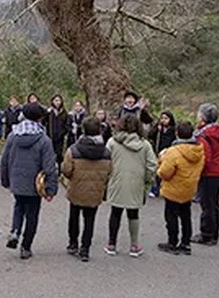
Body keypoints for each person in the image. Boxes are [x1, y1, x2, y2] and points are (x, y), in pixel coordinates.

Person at [0, 103, 58, 260]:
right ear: (40, 118)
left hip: (17, 181)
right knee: (32, 215)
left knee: (18, 206)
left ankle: (15, 231)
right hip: (35, 185)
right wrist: (51, 189)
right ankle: (26, 247)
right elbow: (49, 166)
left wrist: (5, 180)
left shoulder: (13, 135)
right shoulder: (44, 139)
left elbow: (4, 160)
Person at [104, 114, 157, 258]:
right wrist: (146, 180)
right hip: (136, 182)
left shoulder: (112, 142)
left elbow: (105, 161)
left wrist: (108, 177)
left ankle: (111, 244)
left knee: (115, 212)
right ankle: (134, 245)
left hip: (117, 180)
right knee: (133, 214)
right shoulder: (145, 144)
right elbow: (152, 165)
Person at [61, 117, 112, 262]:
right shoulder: (106, 152)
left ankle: (73, 243)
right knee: (90, 220)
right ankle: (85, 248)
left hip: (76, 189)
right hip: (95, 191)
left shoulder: (74, 150)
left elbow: (66, 170)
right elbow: (110, 171)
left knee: (74, 217)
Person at [156, 121, 204, 256]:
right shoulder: (199, 150)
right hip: (189, 188)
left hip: (173, 189)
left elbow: (165, 172)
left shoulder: (173, 152)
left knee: (171, 216)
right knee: (185, 216)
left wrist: (161, 161)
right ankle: (186, 243)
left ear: (177, 133)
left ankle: (172, 242)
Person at [192, 103, 219, 246]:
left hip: (210, 172)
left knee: (207, 204)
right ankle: (213, 234)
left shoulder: (204, 135)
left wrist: (196, 172)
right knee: (213, 204)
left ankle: (207, 234)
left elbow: (205, 158)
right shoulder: (217, 131)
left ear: (203, 118)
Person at [148, 111, 177, 197]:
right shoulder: (158, 129)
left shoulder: (173, 130)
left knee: (166, 172)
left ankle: (166, 189)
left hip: (168, 152)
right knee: (157, 172)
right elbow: (150, 136)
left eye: (166, 118)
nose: (164, 120)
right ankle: (154, 190)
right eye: (162, 118)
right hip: (158, 152)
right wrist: (157, 129)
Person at [46, 95, 70, 172]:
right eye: (55, 100)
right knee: (49, 154)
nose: (57, 102)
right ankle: (50, 169)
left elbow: (67, 124)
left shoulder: (64, 112)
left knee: (59, 154)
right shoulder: (49, 112)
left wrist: (63, 132)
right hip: (50, 136)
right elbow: (44, 122)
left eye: (59, 100)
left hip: (60, 137)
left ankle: (60, 170)